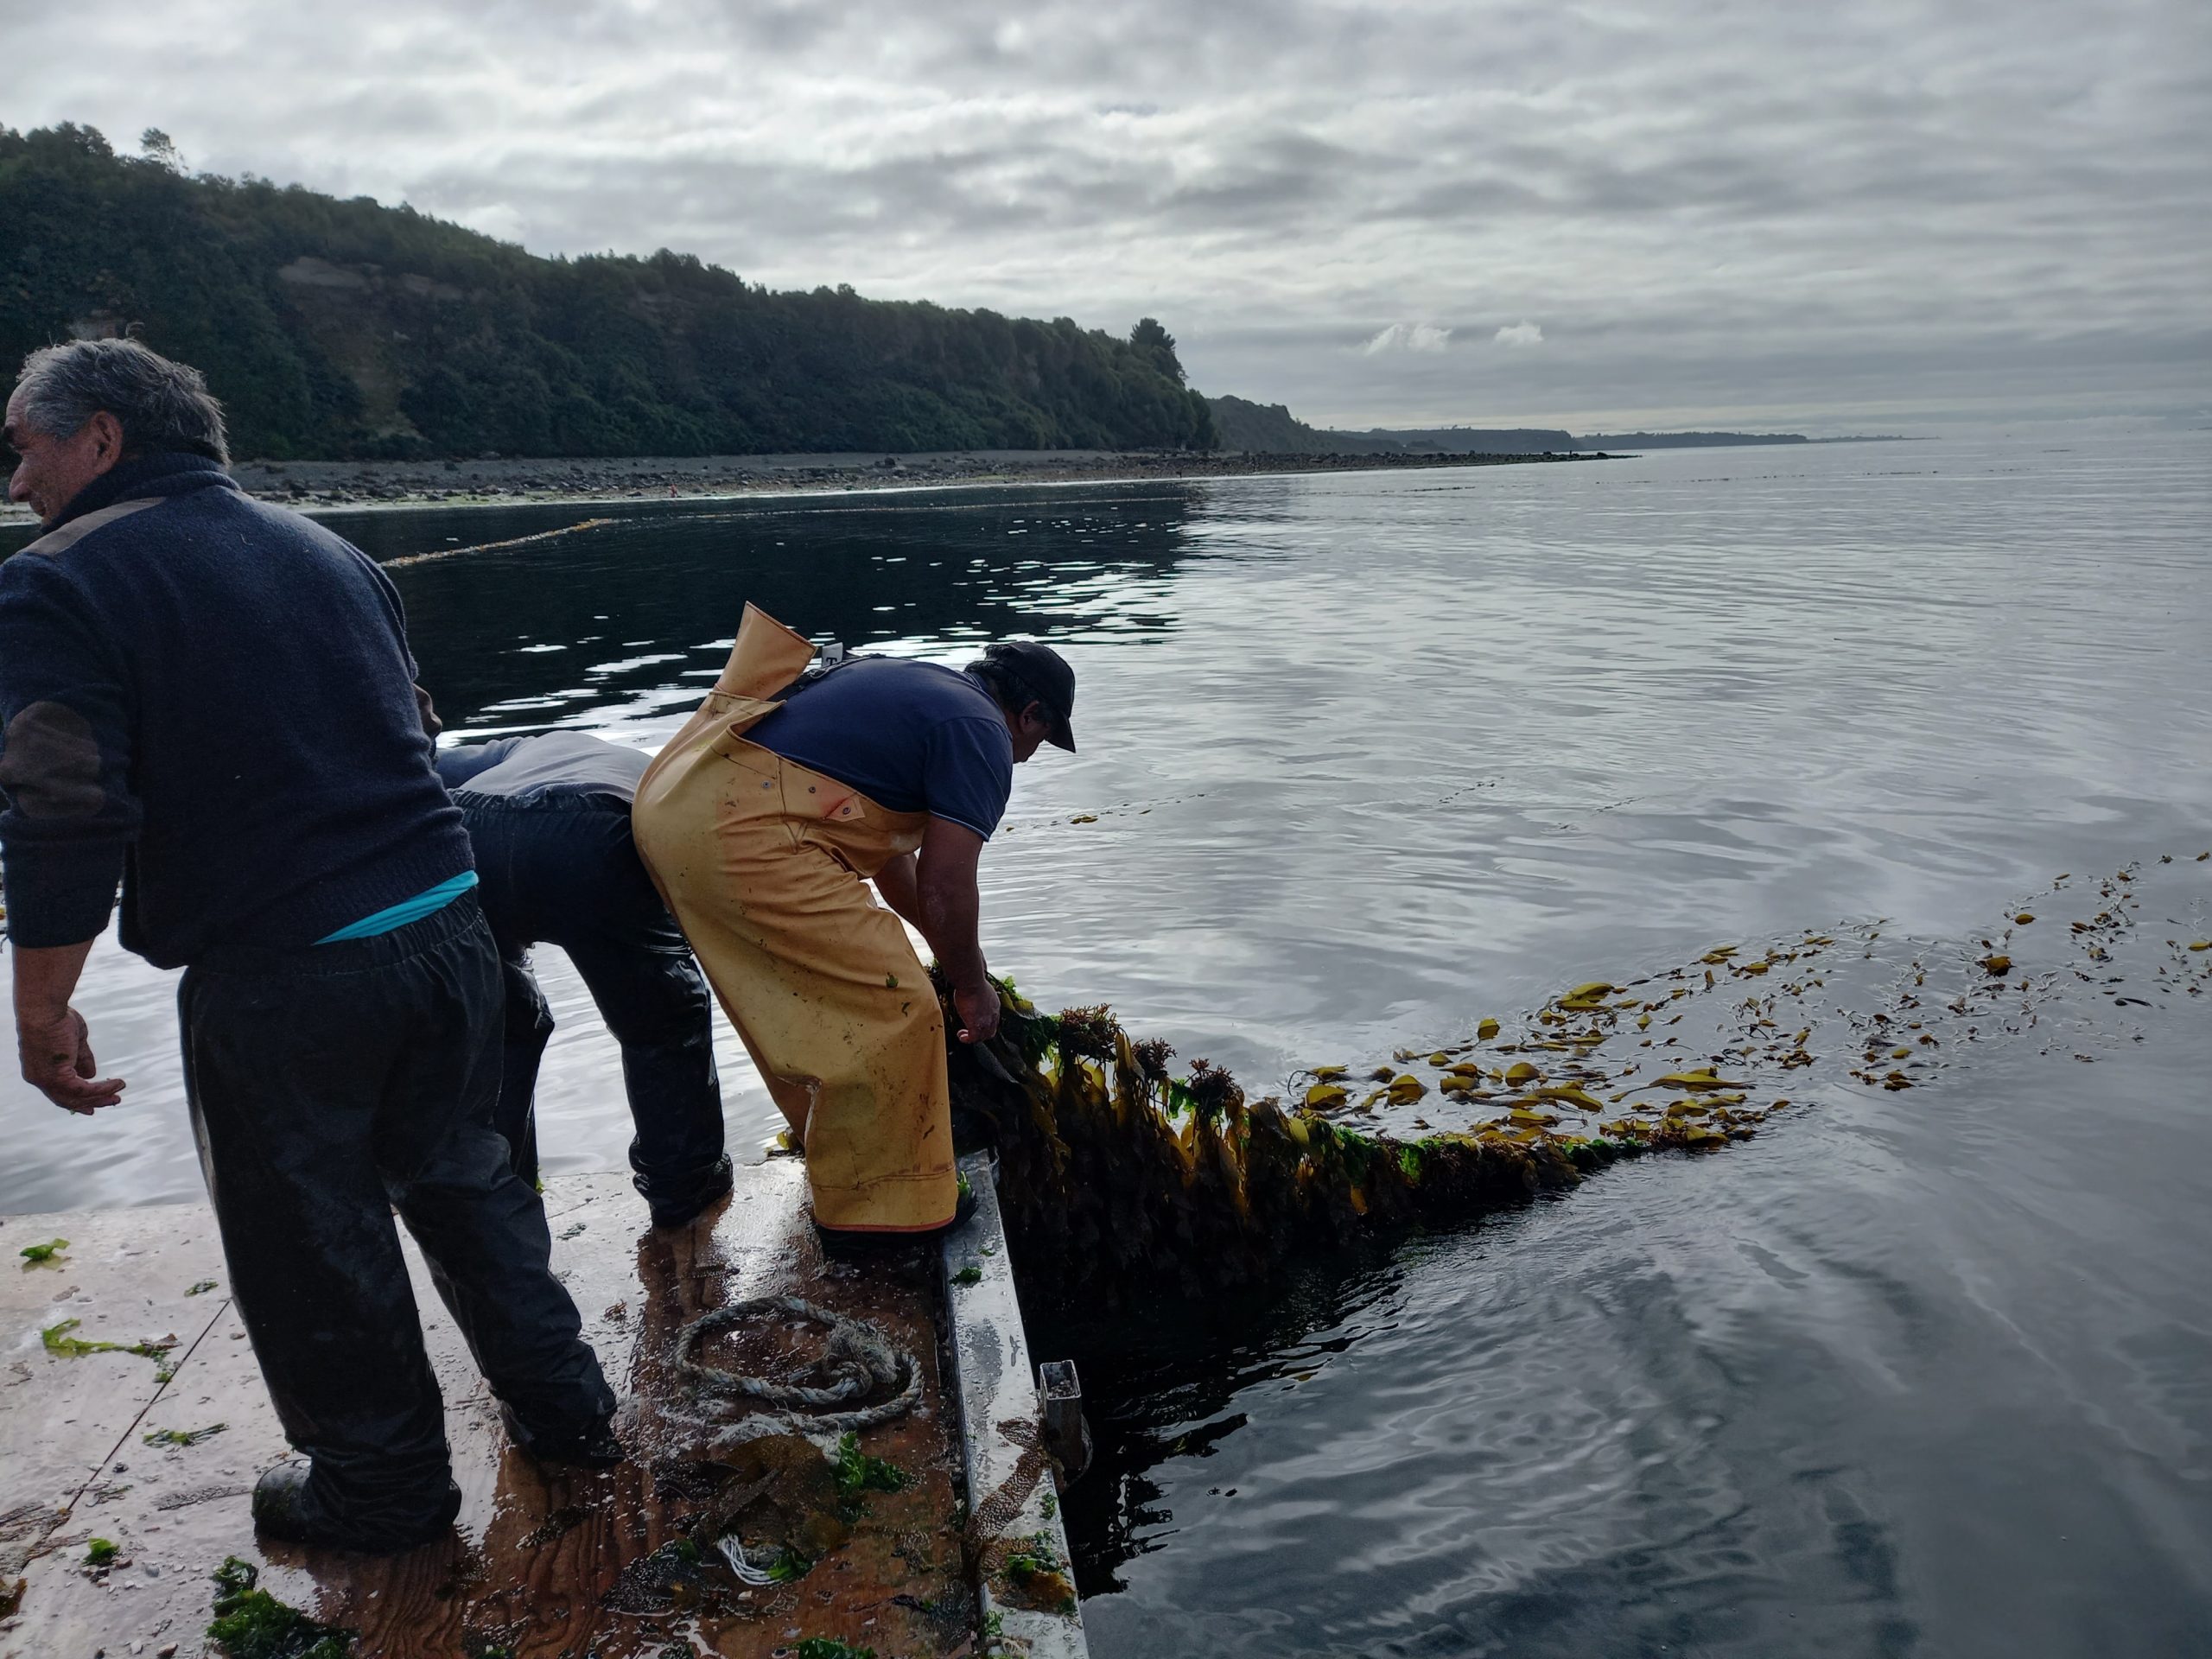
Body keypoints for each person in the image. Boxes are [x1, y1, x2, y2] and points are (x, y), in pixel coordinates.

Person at [0, 340, 617, 1555]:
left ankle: (379, 1494)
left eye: (21, 448)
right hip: (452, 926)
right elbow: (418, 727)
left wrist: (41, 1006)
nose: (14, 481)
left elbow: (62, 806)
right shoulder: (327, 548)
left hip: (292, 968)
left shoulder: (54, 582)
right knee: (465, 1179)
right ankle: (572, 1412)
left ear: (103, 438)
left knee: (309, 1242)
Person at [632, 607, 1074, 1242]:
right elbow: (946, 884)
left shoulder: (919, 689)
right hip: (743, 834)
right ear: (1030, 713)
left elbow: (897, 868)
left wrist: (960, 963)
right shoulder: (980, 732)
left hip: (680, 806)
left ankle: (845, 1168)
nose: (1030, 757)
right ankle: (880, 1215)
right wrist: (970, 988)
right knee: (897, 1010)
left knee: (812, 1002)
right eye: (1041, 740)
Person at [433, 728, 730, 1225]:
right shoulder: (649, 770)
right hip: (594, 828)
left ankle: (505, 1199)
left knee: (502, 1029)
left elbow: (422, 771)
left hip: (471, 830)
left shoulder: (516, 749)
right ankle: (685, 1191)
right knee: (661, 1026)